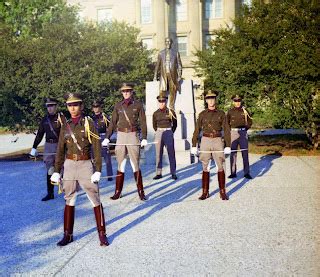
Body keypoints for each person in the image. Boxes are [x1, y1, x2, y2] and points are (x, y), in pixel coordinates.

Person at [51, 93, 109, 247]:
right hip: (69, 164)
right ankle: (67, 234)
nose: (73, 108)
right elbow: (60, 150)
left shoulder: (89, 123)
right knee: (69, 199)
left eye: (76, 104)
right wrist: (57, 170)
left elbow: (96, 147)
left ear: (81, 106)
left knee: (94, 199)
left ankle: (102, 234)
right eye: (70, 105)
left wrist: (98, 169)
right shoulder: (66, 125)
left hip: (85, 165)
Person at [102, 83, 147, 201]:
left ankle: (141, 191)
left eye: (128, 91)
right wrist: (107, 137)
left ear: (132, 92)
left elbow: (143, 122)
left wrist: (144, 137)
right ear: (121, 93)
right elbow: (112, 122)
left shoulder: (138, 105)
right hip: (121, 135)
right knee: (120, 163)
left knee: (135, 164)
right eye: (124, 91)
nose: (126, 93)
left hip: (133, 134)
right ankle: (118, 191)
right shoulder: (118, 106)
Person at [191, 90, 231, 200]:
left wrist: (228, 145)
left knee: (220, 165)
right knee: (205, 166)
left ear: (215, 99)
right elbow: (197, 130)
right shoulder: (202, 114)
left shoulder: (221, 114)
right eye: (209, 98)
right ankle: (205, 192)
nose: (211, 100)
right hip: (205, 140)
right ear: (206, 100)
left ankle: (222, 191)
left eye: (213, 98)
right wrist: (194, 144)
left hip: (218, 139)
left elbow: (226, 130)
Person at [29, 97, 65, 201]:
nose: (49, 108)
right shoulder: (45, 120)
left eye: (51, 106)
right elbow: (40, 134)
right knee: (50, 169)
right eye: (48, 106)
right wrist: (34, 147)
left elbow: (66, 134)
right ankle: (50, 193)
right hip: (49, 145)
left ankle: (67, 191)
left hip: (59, 145)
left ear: (56, 106)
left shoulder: (61, 118)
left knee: (62, 168)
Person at [226, 94, 253, 179]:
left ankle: (246, 172)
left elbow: (250, 121)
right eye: (235, 101)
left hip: (242, 133)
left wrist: (245, 129)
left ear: (241, 101)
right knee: (233, 153)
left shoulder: (245, 111)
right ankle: (233, 172)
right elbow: (226, 123)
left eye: (239, 101)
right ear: (233, 102)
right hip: (233, 133)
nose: (237, 103)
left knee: (245, 152)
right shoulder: (230, 111)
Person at [152, 95, 177, 180]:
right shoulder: (155, 113)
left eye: (163, 101)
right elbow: (154, 125)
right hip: (159, 132)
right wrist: (159, 131)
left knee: (171, 153)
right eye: (160, 101)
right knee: (158, 153)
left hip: (168, 132)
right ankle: (158, 173)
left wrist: (170, 132)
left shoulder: (171, 112)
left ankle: (173, 172)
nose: (161, 103)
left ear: (166, 102)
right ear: (158, 102)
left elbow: (175, 124)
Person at [153, 37, 183, 110]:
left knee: (173, 90)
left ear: (171, 43)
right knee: (162, 91)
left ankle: (171, 106)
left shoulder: (175, 53)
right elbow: (158, 65)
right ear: (165, 43)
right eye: (166, 42)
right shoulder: (161, 53)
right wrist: (155, 75)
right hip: (164, 75)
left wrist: (179, 75)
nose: (168, 43)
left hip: (172, 74)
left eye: (169, 42)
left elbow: (179, 65)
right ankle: (162, 107)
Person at [92, 100, 113, 181]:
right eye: (94, 107)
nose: (96, 109)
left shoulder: (105, 117)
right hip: (95, 138)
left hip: (103, 137)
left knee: (107, 158)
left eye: (97, 107)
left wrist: (107, 138)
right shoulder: (90, 118)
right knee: (94, 158)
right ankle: (94, 174)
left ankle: (109, 175)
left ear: (100, 108)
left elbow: (110, 128)